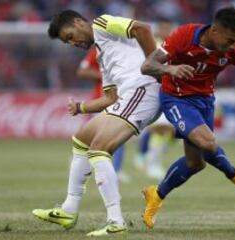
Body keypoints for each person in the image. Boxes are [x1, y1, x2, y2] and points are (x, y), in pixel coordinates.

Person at [32, 10, 160, 236]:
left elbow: (143, 29)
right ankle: (69, 209)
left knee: (98, 149)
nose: (72, 43)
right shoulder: (102, 54)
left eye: (70, 36)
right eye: (67, 42)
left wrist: (156, 66)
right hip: (131, 95)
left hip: (144, 89)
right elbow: (110, 98)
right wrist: (81, 107)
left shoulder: (102, 23)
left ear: (79, 22)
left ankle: (116, 221)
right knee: (81, 139)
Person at [140, 6, 235, 229]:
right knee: (208, 143)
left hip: (205, 100)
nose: (233, 46)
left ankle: (155, 195)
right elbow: (147, 66)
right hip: (176, 98)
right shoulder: (184, 36)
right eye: (229, 40)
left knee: (195, 163)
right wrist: (171, 70)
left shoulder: (234, 50)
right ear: (214, 31)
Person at [77, 47, 130, 183]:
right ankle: (82, 164)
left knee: (119, 136)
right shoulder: (99, 48)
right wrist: (107, 75)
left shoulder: (127, 48)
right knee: (96, 137)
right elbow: (83, 72)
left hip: (122, 100)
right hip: (102, 100)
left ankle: (115, 171)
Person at [133, 18, 175, 179]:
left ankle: (146, 156)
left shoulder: (173, 45)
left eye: (168, 28)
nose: (165, 31)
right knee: (160, 128)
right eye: (163, 28)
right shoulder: (152, 45)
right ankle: (152, 163)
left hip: (171, 90)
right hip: (154, 90)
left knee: (170, 132)